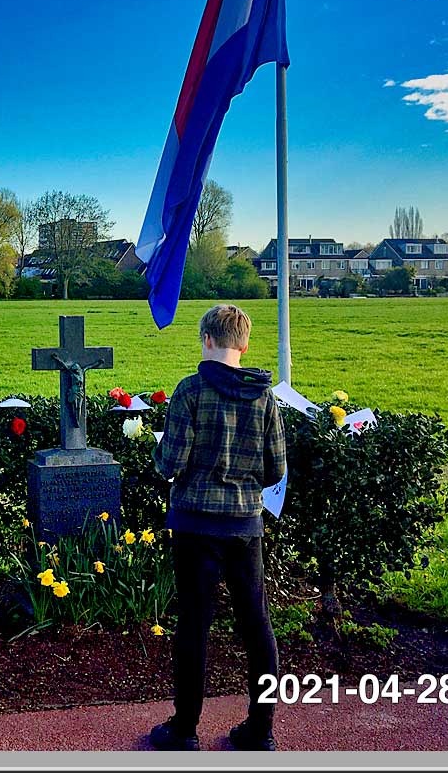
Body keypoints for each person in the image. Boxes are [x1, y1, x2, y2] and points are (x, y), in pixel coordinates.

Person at [148, 304, 285, 751]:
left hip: (195, 524)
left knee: (194, 626)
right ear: (245, 344)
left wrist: (158, 457)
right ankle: (260, 730)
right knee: (257, 626)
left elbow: (170, 463)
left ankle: (185, 729)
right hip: (245, 524)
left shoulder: (190, 391)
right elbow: (275, 469)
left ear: (206, 339)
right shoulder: (265, 397)